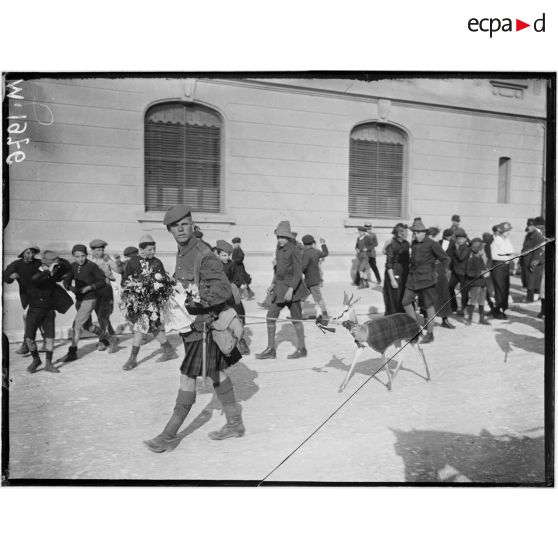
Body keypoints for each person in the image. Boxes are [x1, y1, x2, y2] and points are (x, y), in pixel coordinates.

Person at [144, 205, 245, 453]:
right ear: (169, 230)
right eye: (174, 226)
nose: (180, 228)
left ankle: (168, 435)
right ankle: (235, 423)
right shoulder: (182, 251)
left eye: (184, 223)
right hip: (191, 327)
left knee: (187, 377)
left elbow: (221, 290)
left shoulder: (203, 253)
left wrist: (196, 301)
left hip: (204, 327)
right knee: (215, 374)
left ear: (192, 224)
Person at [120, 235, 179, 370]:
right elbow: (124, 281)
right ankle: (169, 351)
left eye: (154, 248)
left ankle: (133, 359)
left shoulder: (157, 262)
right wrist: (134, 288)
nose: (153, 251)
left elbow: (164, 282)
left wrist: (157, 287)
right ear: (141, 249)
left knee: (141, 328)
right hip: (138, 301)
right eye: (150, 249)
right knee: (153, 327)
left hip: (152, 301)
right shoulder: (132, 262)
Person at [255, 220, 309, 360]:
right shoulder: (278, 249)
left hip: (293, 291)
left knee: (296, 319)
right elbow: (279, 269)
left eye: (283, 237)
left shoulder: (295, 250)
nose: (280, 240)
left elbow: (298, 273)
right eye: (278, 237)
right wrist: (273, 283)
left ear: (289, 237)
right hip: (280, 290)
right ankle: (271, 349)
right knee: (270, 316)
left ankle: (302, 349)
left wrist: (291, 289)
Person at [401, 218, 450, 344]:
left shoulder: (433, 244)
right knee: (406, 301)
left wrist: (437, 271)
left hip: (427, 280)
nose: (415, 235)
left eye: (418, 232)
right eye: (414, 233)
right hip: (413, 278)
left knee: (428, 305)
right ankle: (415, 330)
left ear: (424, 232)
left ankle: (430, 333)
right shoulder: (414, 243)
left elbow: (445, 259)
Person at [24, 250, 72, 373]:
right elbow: (37, 280)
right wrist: (49, 270)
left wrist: (59, 263)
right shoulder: (35, 272)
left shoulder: (53, 273)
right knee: (29, 339)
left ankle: (48, 364)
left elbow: (68, 267)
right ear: (46, 263)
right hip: (34, 310)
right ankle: (36, 359)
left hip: (49, 311)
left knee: (50, 339)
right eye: (53, 264)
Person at [61, 245, 109, 362]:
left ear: (86, 255)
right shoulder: (73, 266)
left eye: (83, 256)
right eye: (77, 256)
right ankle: (104, 335)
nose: (80, 259)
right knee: (87, 325)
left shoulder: (92, 266)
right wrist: (69, 287)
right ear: (74, 256)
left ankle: (72, 352)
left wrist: (89, 287)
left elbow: (102, 281)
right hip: (79, 299)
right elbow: (66, 280)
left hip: (90, 298)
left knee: (77, 325)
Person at [3, 244, 44, 355]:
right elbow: (4, 276)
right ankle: (44, 341)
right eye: (28, 253)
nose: (31, 255)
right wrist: (10, 277)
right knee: (36, 318)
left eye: (33, 253)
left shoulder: (39, 263)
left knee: (28, 317)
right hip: (26, 296)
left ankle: (26, 345)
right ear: (22, 254)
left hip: (40, 294)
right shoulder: (15, 265)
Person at [214, 239, 250, 355]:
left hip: (231, 296)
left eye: (228, 255)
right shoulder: (213, 265)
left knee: (238, 317)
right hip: (219, 297)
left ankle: (241, 341)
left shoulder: (232, 265)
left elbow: (237, 278)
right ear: (217, 254)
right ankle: (224, 344)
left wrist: (237, 285)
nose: (226, 257)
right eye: (224, 255)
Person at [89, 239, 121, 352]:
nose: (101, 252)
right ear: (92, 250)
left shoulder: (106, 258)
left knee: (103, 316)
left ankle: (103, 341)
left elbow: (118, 270)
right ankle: (111, 335)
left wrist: (118, 261)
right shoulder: (88, 260)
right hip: (93, 291)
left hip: (105, 290)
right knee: (101, 316)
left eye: (102, 249)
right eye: (98, 250)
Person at [429, 227, 455, 329]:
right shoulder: (423, 245)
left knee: (443, 295)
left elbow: (446, 258)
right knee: (428, 297)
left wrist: (443, 268)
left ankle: (445, 319)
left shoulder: (435, 244)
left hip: (439, 272)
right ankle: (428, 320)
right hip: (428, 273)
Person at [383, 223, 410, 315]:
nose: (407, 234)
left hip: (405, 273)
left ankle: (403, 317)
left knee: (403, 296)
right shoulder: (392, 245)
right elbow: (389, 264)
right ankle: (393, 318)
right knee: (394, 298)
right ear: (399, 234)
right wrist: (392, 280)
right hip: (394, 273)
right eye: (406, 232)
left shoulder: (406, 243)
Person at [301, 234, 329, 319]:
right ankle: (297, 314)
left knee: (304, 297)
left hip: (309, 281)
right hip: (314, 279)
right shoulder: (316, 251)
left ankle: (325, 315)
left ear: (304, 244)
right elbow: (325, 253)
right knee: (304, 297)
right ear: (312, 243)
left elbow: (303, 267)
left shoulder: (305, 253)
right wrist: (323, 244)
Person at [490, 222, 514, 319]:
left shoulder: (507, 240)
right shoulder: (496, 242)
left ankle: (503, 309)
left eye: (508, 231)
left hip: (505, 266)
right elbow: (494, 256)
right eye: (506, 231)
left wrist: (509, 257)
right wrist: (506, 258)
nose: (508, 233)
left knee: (505, 288)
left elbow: (511, 251)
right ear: (501, 232)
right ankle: (497, 311)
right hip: (498, 266)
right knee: (499, 289)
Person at [464, 238, 490, 325]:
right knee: (473, 301)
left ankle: (481, 318)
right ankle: (469, 319)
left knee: (482, 301)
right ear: (478, 251)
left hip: (482, 283)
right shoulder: (471, 260)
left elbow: (482, 269)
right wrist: (480, 273)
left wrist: (486, 271)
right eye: (482, 249)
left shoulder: (481, 259)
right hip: (475, 284)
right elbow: (469, 272)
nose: (483, 250)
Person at [115, 246, 139, 335]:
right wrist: (117, 261)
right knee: (126, 308)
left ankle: (135, 328)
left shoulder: (138, 263)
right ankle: (131, 325)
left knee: (134, 309)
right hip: (126, 289)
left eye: (128, 257)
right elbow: (119, 269)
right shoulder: (125, 263)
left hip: (135, 290)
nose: (127, 259)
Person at [520, 218, 545, 303]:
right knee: (528, 280)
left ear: (535, 226)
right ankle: (530, 297)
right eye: (528, 225)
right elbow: (524, 248)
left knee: (532, 281)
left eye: (531, 225)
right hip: (526, 261)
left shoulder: (538, 237)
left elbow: (538, 251)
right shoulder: (528, 235)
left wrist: (533, 262)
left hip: (532, 262)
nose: (529, 227)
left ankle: (530, 299)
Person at [448, 228, 470, 316]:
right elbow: (450, 257)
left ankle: (464, 309)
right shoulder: (454, 247)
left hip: (464, 273)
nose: (459, 240)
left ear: (465, 239)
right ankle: (454, 306)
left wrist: (456, 249)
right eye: (458, 239)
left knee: (464, 291)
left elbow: (461, 257)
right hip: (455, 272)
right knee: (449, 287)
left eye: (461, 239)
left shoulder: (467, 248)